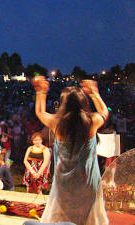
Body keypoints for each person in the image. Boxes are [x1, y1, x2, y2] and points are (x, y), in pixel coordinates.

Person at [31, 76, 109, 225]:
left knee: (62, 218)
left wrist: (41, 92)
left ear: (63, 104)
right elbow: (104, 112)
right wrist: (94, 93)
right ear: (83, 102)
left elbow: (40, 113)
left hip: (64, 184)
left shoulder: (57, 123)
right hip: (87, 182)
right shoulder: (92, 122)